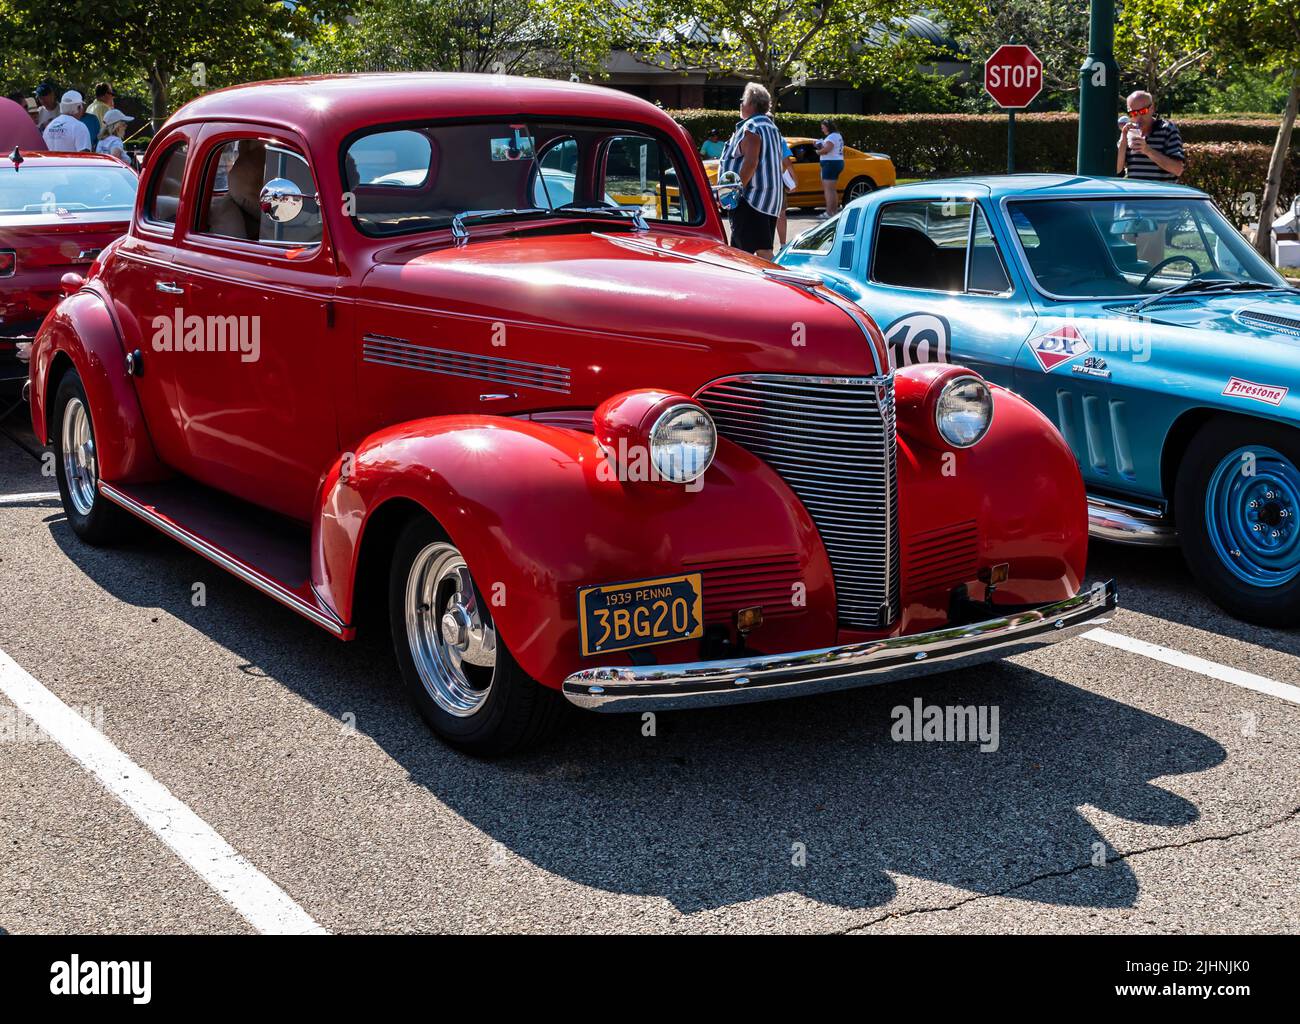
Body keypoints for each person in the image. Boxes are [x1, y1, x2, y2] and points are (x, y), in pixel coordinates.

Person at [1117, 90, 1186, 265]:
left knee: (1148, 267)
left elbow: (1177, 168)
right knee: (1124, 264)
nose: (1138, 117)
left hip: (1156, 211)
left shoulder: (1167, 130)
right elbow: (1117, 169)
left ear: (1152, 108)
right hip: (1130, 210)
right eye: (1133, 113)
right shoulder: (1131, 132)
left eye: (1142, 111)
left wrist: (1147, 150)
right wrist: (1123, 140)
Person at [719, 82, 785, 259]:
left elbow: (751, 162)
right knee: (762, 248)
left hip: (752, 199)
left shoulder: (752, 127)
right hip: (769, 200)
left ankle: (771, 284)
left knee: (744, 253)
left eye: (742, 100)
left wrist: (735, 191)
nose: (740, 104)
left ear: (750, 104)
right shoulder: (772, 127)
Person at [816, 118, 845, 218]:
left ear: (828, 127)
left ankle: (829, 212)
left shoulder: (832, 137)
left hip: (830, 163)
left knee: (828, 190)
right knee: (832, 189)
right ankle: (834, 212)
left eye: (823, 128)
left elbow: (827, 149)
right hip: (836, 162)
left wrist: (818, 151)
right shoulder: (837, 135)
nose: (822, 130)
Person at [775, 138, 796, 248]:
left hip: (758, 181)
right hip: (776, 181)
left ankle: (763, 246)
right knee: (781, 213)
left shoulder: (751, 133)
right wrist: (793, 180)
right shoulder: (778, 137)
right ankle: (783, 244)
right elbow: (786, 161)